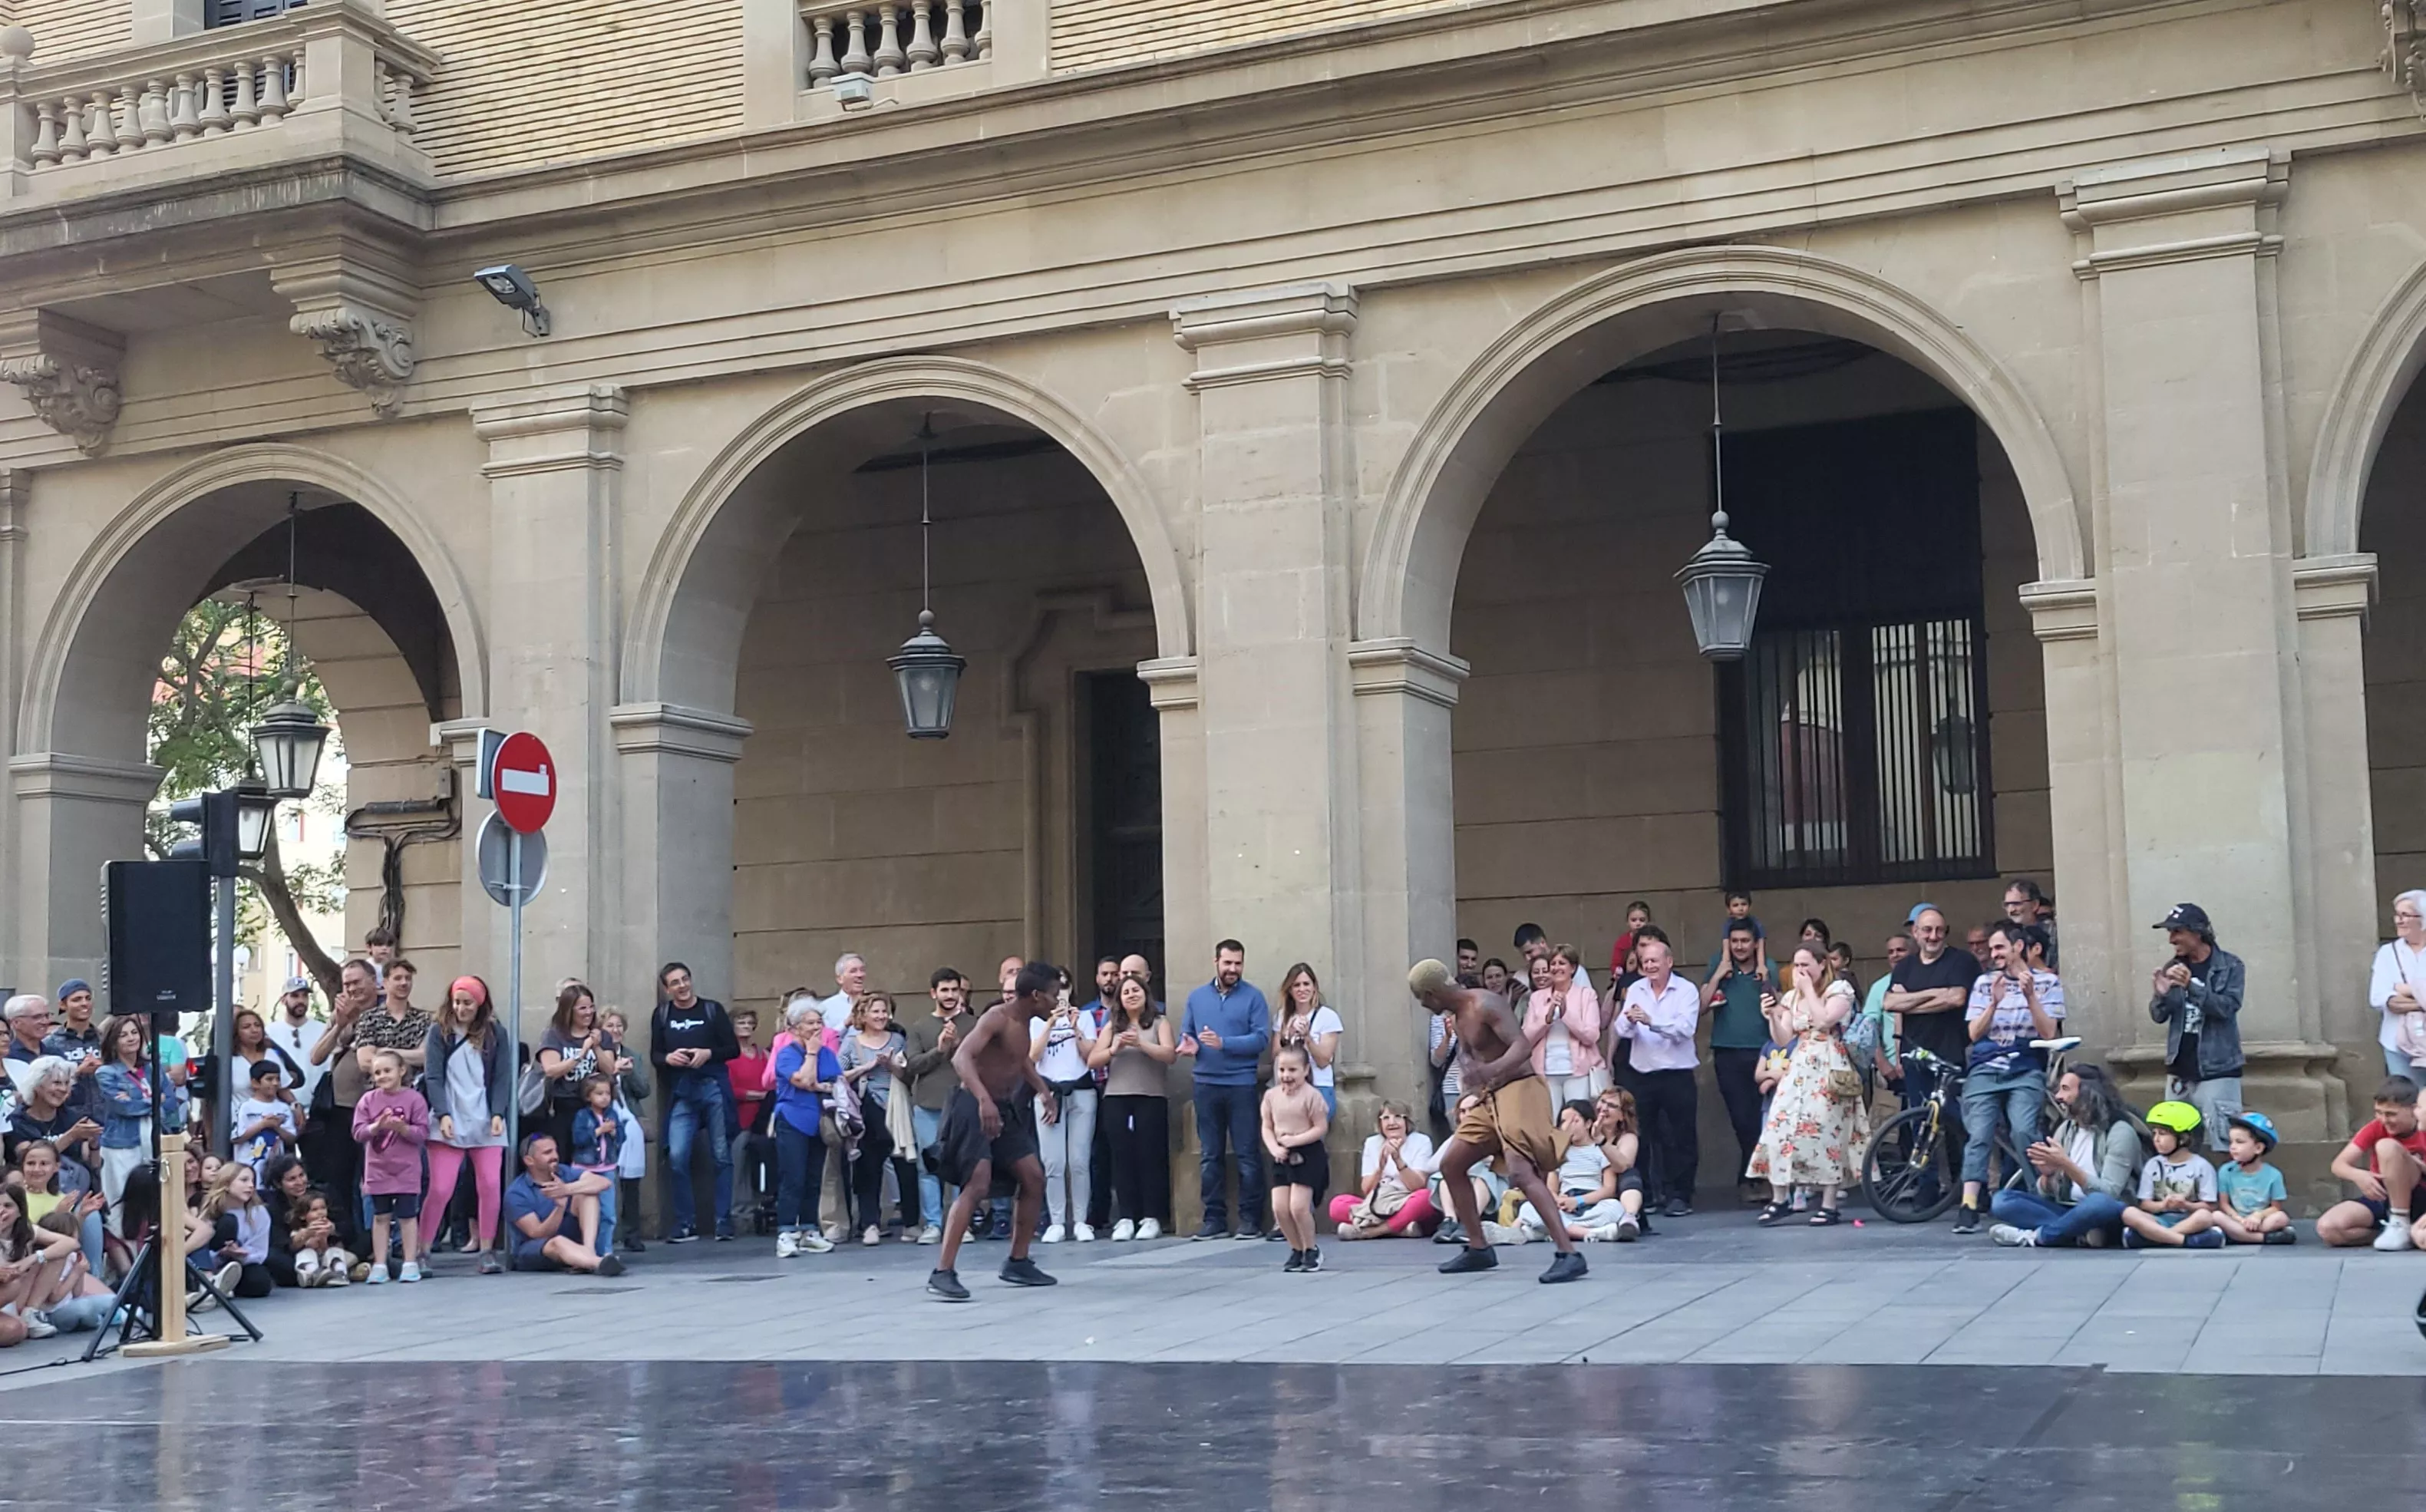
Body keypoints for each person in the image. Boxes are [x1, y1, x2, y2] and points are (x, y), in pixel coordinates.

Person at [1409, 958, 1587, 1283]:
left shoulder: (1485, 1004)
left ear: (1434, 993)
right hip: (1490, 1097)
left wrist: (1488, 1071)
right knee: (1451, 1165)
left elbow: (1521, 1048)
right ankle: (1479, 1248)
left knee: (1521, 1172)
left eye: (1422, 997)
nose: (1422, 1004)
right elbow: (1470, 1056)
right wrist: (1470, 1085)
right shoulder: (1457, 1017)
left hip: (1520, 1089)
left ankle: (1569, 1254)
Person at [926, 961, 1063, 1301]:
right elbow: (961, 1058)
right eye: (1052, 996)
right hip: (973, 1106)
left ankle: (1018, 1261)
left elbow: (1020, 1061)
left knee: (1033, 1177)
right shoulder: (997, 1018)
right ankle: (942, 1271)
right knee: (977, 1183)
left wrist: (1043, 1091)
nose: (1056, 1002)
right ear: (1035, 996)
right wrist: (983, 1100)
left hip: (1003, 1108)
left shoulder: (1026, 1023)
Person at [1952, 922, 2065, 1234]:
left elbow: (2049, 1032)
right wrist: (1994, 1002)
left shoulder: (2047, 983)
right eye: (1991, 949)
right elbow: (1973, 1033)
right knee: (1979, 1133)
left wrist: (2030, 997)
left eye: (1999, 947)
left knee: (2024, 1130)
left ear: (2018, 947)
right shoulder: (1985, 983)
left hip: (2026, 1066)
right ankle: (1969, 1205)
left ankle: (2037, 1195)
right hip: (1987, 1067)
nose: (1993, 954)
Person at [1745, 946, 1870, 1226]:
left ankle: (1828, 1204)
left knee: (1827, 1132)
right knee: (1779, 1126)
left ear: (1822, 964)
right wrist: (1773, 1017)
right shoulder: (1792, 996)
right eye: (1797, 964)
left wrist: (1809, 990)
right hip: (1799, 1064)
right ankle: (1780, 1198)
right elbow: (1782, 1038)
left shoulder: (1839, 989)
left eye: (1806, 964)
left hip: (1829, 1063)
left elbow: (1826, 1019)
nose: (1800, 970)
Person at [1988, 1064, 2142, 1249]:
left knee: (2098, 1202)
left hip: (2106, 1211)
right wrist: (2047, 1176)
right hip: (2067, 1208)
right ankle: (2077, 1232)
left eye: (2065, 1089)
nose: (2058, 1097)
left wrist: (2066, 1164)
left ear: (2087, 1093)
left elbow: (2109, 1194)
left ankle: (2038, 1236)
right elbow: (2046, 1194)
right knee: (2002, 1200)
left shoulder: (2120, 1132)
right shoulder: (2067, 1128)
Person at [1178, 939, 1271, 1241]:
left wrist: (1225, 1043)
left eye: (1238, 964)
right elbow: (1188, 1034)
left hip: (1241, 1085)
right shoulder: (1197, 998)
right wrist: (1188, 1046)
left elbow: (1261, 1040)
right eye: (1228, 963)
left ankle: (1250, 1219)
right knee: (1210, 1156)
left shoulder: (1254, 997)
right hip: (1205, 1083)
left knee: (1247, 1155)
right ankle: (1214, 1220)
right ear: (1216, 961)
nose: (1233, 969)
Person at [422, 976, 511, 1275]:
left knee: (489, 1185)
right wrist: (442, 1113)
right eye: (457, 1002)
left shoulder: (496, 1033)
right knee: (441, 1187)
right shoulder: (439, 1032)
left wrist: (498, 1112)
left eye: (467, 1003)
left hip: (485, 1119)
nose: (460, 1007)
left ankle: (487, 1250)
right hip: (449, 1117)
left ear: (480, 1004)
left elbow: (502, 1076)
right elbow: (433, 1075)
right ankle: (422, 1249)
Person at [650, 961, 741, 1243]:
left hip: (712, 1086)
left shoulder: (712, 1010)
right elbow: (655, 1054)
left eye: (685, 979)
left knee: (721, 1155)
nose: (682, 986)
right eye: (675, 982)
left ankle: (723, 1220)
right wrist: (668, 1058)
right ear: (667, 989)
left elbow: (733, 1049)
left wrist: (707, 1053)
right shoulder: (663, 1015)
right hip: (682, 1090)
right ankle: (684, 1222)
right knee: (676, 1155)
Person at [1614, 929, 1701, 1217]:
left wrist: (1651, 1022)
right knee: (1640, 1136)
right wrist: (1629, 1022)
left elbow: (1685, 1030)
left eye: (1654, 961)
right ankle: (1644, 1195)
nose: (1649, 966)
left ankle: (1680, 1195)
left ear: (1669, 962)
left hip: (1677, 1074)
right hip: (1643, 1074)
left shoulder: (1687, 990)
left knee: (1681, 1137)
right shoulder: (1636, 989)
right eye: (1645, 962)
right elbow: (1619, 1029)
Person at [2147, 903, 2246, 1151]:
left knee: (2224, 1145)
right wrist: (2161, 996)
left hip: (2217, 1070)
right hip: (2179, 1071)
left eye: (2176, 931)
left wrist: (2192, 986)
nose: (2171, 940)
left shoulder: (2230, 966)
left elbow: (2227, 1008)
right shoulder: (2173, 967)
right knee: (2176, 1148)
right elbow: (2158, 1016)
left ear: (2197, 932)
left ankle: (2221, 1191)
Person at [1093, 971, 1174, 1240]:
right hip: (1117, 1097)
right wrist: (1114, 1048)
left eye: (1136, 990)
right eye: (1126, 992)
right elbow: (1094, 1060)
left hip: (1150, 1096)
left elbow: (1169, 1054)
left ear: (1145, 994)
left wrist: (1140, 1043)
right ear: (1120, 999)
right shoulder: (1112, 1026)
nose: (1131, 995)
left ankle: (1152, 1216)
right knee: (1121, 1157)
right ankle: (1126, 1216)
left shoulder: (1159, 1022)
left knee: (1150, 1156)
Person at [306, 959, 381, 1246]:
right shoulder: (341, 1013)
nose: (351, 989)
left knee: (373, 1176)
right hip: (343, 1107)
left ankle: (376, 1239)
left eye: (357, 982)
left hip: (380, 1105)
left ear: (373, 981)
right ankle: (347, 1236)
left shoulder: (388, 1009)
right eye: (346, 984)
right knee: (340, 1173)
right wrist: (340, 1024)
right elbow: (316, 1056)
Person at [903, 968, 975, 1244]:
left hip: (963, 1101)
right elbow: (913, 1065)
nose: (949, 995)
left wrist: (958, 1047)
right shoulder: (920, 1026)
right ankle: (933, 1224)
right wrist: (941, 1049)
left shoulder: (973, 1023)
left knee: (964, 1165)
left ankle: (961, 1224)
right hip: (927, 1104)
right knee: (929, 1166)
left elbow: (981, 1059)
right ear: (933, 993)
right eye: (944, 990)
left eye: (954, 990)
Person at [1028, 977, 1103, 1243]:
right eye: (1054, 988)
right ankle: (1057, 1220)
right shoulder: (1035, 1021)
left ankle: (1081, 1220)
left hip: (1081, 1092)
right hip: (1049, 1094)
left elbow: (1090, 1056)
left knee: (1080, 1160)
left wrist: (1075, 1028)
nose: (1060, 993)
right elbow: (1034, 1056)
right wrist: (1050, 1023)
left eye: (1064, 987)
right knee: (1053, 1162)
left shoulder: (1083, 1017)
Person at [839, 995, 918, 1246]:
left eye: (885, 1011)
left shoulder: (898, 1039)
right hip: (867, 1110)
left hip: (897, 1108)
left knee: (906, 1165)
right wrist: (869, 1066)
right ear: (863, 1015)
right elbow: (839, 1077)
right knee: (868, 1169)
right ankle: (870, 1224)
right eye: (876, 1011)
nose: (882, 1016)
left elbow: (908, 1074)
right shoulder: (852, 1044)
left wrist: (892, 1065)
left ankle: (911, 1223)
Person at [1702, 918, 1771, 1205]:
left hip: (1763, 1053)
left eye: (1745, 941)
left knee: (1762, 1119)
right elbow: (1701, 1006)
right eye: (1735, 942)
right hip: (1727, 1053)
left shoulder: (1768, 968)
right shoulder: (1719, 966)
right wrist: (1718, 975)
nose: (1740, 947)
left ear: (1756, 944)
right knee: (1742, 1120)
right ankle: (1751, 1177)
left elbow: (1779, 1004)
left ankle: (1757, 1178)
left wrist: (1767, 977)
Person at [2315, 1077, 2426, 1250]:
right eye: (2379, 1112)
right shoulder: (2376, 1127)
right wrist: (2359, 1175)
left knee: (2386, 1146)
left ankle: (2400, 1221)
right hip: (2383, 1196)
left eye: (2391, 1114)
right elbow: (2339, 1164)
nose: (2383, 1119)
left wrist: (2414, 1164)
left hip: (2420, 1195)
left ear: (2413, 1110)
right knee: (2329, 1228)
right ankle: (2395, 1231)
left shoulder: (2423, 1128)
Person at [771, 998, 840, 1257]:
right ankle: (786, 1232)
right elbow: (802, 1080)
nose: (817, 1028)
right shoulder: (787, 1054)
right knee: (793, 1178)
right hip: (792, 1119)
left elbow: (835, 1083)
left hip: (819, 1122)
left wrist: (816, 1084)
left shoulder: (828, 1053)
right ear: (795, 1028)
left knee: (813, 1179)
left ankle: (810, 1230)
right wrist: (811, 1054)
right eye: (810, 1023)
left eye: (819, 1022)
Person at [352, 1048, 427, 1283]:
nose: (382, 1076)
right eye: (377, 1072)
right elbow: (357, 1132)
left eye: (387, 1070)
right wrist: (376, 1127)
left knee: (407, 1216)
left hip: (406, 1168)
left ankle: (410, 1262)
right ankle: (380, 1264)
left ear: (401, 1070)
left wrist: (403, 1129)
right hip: (377, 1168)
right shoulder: (367, 1100)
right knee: (381, 1216)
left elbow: (423, 1132)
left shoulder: (414, 1099)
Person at [503, 1133, 625, 1275]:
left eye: (555, 1150)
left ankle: (588, 1251)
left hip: (573, 1245)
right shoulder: (516, 1193)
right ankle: (597, 1263)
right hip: (533, 1250)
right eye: (547, 1153)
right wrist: (559, 1207)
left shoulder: (563, 1171)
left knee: (588, 1193)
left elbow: (604, 1183)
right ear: (529, 1160)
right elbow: (537, 1234)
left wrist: (567, 1189)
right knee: (558, 1242)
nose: (555, 1156)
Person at [1261, 1044, 1331, 1272]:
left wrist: (1296, 1140)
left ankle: (1311, 1249)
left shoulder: (1312, 1096)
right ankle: (1296, 1248)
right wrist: (1273, 1146)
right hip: (1281, 1153)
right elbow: (1267, 1127)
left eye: (1292, 1070)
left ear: (1305, 1070)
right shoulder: (1271, 1096)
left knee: (1298, 1207)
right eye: (1282, 1070)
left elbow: (1320, 1128)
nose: (1286, 1076)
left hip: (1307, 1153)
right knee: (1280, 1208)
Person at [2120, 1101, 2226, 1249]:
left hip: (2190, 1221)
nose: (2156, 1139)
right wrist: (2163, 1205)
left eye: (2162, 1134)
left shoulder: (2202, 1166)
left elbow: (2211, 1206)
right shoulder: (2153, 1164)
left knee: (2205, 1217)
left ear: (2183, 1139)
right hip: (2160, 1219)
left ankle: (2156, 1237)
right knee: (2129, 1213)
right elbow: (2144, 1204)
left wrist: (2186, 1205)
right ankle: (2183, 1241)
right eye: (2154, 1133)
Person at [1332, 1100, 1439, 1240]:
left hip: (1405, 1199)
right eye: (1386, 1118)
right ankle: (1400, 1229)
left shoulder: (1421, 1141)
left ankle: (1372, 1232)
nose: (1392, 1122)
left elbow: (1417, 1186)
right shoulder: (1372, 1143)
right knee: (1337, 1205)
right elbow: (1367, 1190)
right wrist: (1380, 1167)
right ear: (1380, 1124)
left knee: (1425, 1198)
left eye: (1398, 1117)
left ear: (1407, 1122)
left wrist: (1398, 1160)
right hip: (1378, 1201)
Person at [597, 1009, 652, 1253]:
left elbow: (644, 1090)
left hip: (629, 1118)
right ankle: (603, 1232)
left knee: (631, 1180)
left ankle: (632, 1232)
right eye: (610, 1026)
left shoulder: (633, 1055)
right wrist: (613, 1070)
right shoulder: (596, 1053)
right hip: (604, 1119)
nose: (616, 1030)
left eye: (619, 1026)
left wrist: (628, 1075)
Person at [1523, 945, 1605, 1109]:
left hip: (1577, 1072)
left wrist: (1565, 1014)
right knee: (1549, 1123)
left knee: (1576, 1120)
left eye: (1562, 963)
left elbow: (1592, 1036)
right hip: (1545, 1072)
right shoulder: (1537, 998)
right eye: (1553, 964)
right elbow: (1526, 1039)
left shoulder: (1586, 995)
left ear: (1572, 968)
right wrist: (1547, 1017)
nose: (1556, 968)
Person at [191, 1161, 279, 1297]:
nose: (250, 1185)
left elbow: (260, 1251)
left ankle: (225, 1287)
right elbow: (200, 1249)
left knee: (260, 1281)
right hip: (213, 1263)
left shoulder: (259, 1212)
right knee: (228, 1221)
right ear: (226, 1183)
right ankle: (214, 1281)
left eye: (252, 1181)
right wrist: (221, 1254)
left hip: (242, 1264)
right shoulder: (210, 1210)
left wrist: (241, 1254)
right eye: (244, 1180)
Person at [566, 1074, 628, 1256]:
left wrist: (615, 1133)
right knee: (582, 1212)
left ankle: (605, 1251)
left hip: (607, 1168)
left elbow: (622, 1138)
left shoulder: (613, 1114)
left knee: (608, 1214)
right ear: (588, 1096)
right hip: (585, 1169)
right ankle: (584, 1249)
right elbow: (578, 1140)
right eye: (599, 1094)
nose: (604, 1098)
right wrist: (599, 1131)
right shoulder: (582, 1116)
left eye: (607, 1093)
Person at [725, 1008, 774, 1233]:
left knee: (762, 1166)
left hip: (764, 1119)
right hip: (739, 1119)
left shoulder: (764, 1055)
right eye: (740, 1022)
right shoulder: (728, 1055)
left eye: (749, 1022)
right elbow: (728, 1089)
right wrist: (755, 1095)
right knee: (739, 1168)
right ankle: (740, 1215)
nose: (745, 1026)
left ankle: (761, 1208)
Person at [1275, 963, 1346, 1117]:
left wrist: (1307, 1038)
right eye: (1296, 985)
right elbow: (1276, 1054)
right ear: (1290, 989)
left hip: (1318, 1087)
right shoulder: (1283, 1016)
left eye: (1306, 984)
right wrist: (1287, 1036)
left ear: (1314, 987)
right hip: (1289, 1087)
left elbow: (1323, 1061)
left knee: (1312, 1138)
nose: (1302, 990)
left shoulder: (1327, 1016)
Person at [2370, 890, 2426, 1081]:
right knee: (2407, 1101)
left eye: (2405, 915)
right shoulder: (2387, 953)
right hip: (2397, 1044)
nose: (2398, 921)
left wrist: (2407, 990)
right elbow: (2381, 999)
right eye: (2397, 915)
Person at [2213, 1111, 2293, 1245]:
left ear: (2258, 1148)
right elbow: (2224, 1204)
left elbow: (2276, 1208)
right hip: (2236, 1219)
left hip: (2260, 1221)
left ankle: (2237, 1236)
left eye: (2239, 1142)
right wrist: (2240, 1220)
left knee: (2281, 1218)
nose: (2233, 1147)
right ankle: (2264, 1238)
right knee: (2216, 1216)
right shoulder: (2226, 1171)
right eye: (2231, 1142)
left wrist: (2258, 1216)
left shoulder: (2274, 1175)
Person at [38, 980, 104, 1127]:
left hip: (109, 1118)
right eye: (76, 1000)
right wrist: (77, 1071)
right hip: (70, 1120)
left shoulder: (105, 1038)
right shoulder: (50, 1043)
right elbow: (45, 1084)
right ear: (63, 1005)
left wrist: (104, 1066)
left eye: (88, 998)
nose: (84, 1004)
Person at [262, 979, 328, 1110]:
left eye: (305, 996)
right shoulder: (270, 1033)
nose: (301, 1001)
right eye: (295, 996)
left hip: (317, 1107)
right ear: (283, 1000)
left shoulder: (323, 1030)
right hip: (280, 1106)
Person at [229, 1058, 299, 1180]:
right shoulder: (245, 1107)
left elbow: (292, 1139)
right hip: (248, 1169)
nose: (275, 1083)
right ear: (255, 1083)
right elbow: (236, 1138)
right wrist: (263, 1124)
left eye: (278, 1079)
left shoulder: (283, 1108)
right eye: (269, 1079)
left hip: (275, 1171)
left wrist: (276, 1127)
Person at [2005, 879, 2058, 970]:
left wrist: (2040, 967)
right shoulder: (2005, 933)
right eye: (2007, 905)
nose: (2011, 910)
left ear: (2034, 905)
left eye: (2017, 904)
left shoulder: (2052, 932)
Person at [1710, 892, 1764, 975]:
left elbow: (1760, 945)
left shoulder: (1756, 923)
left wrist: (1761, 965)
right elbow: (1726, 946)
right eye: (1736, 905)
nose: (1740, 908)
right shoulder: (1728, 924)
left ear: (1750, 906)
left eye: (1744, 904)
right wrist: (1726, 964)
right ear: (1728, 909)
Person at [1607, 901, 1654, 979]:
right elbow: (1615, 964)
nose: (1638, 923)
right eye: (1634, 920)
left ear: (1648, 921)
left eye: (1642, 920)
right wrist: (1618, 972)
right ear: (1627, 922)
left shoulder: (1654, 939)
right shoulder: (1622, 942)